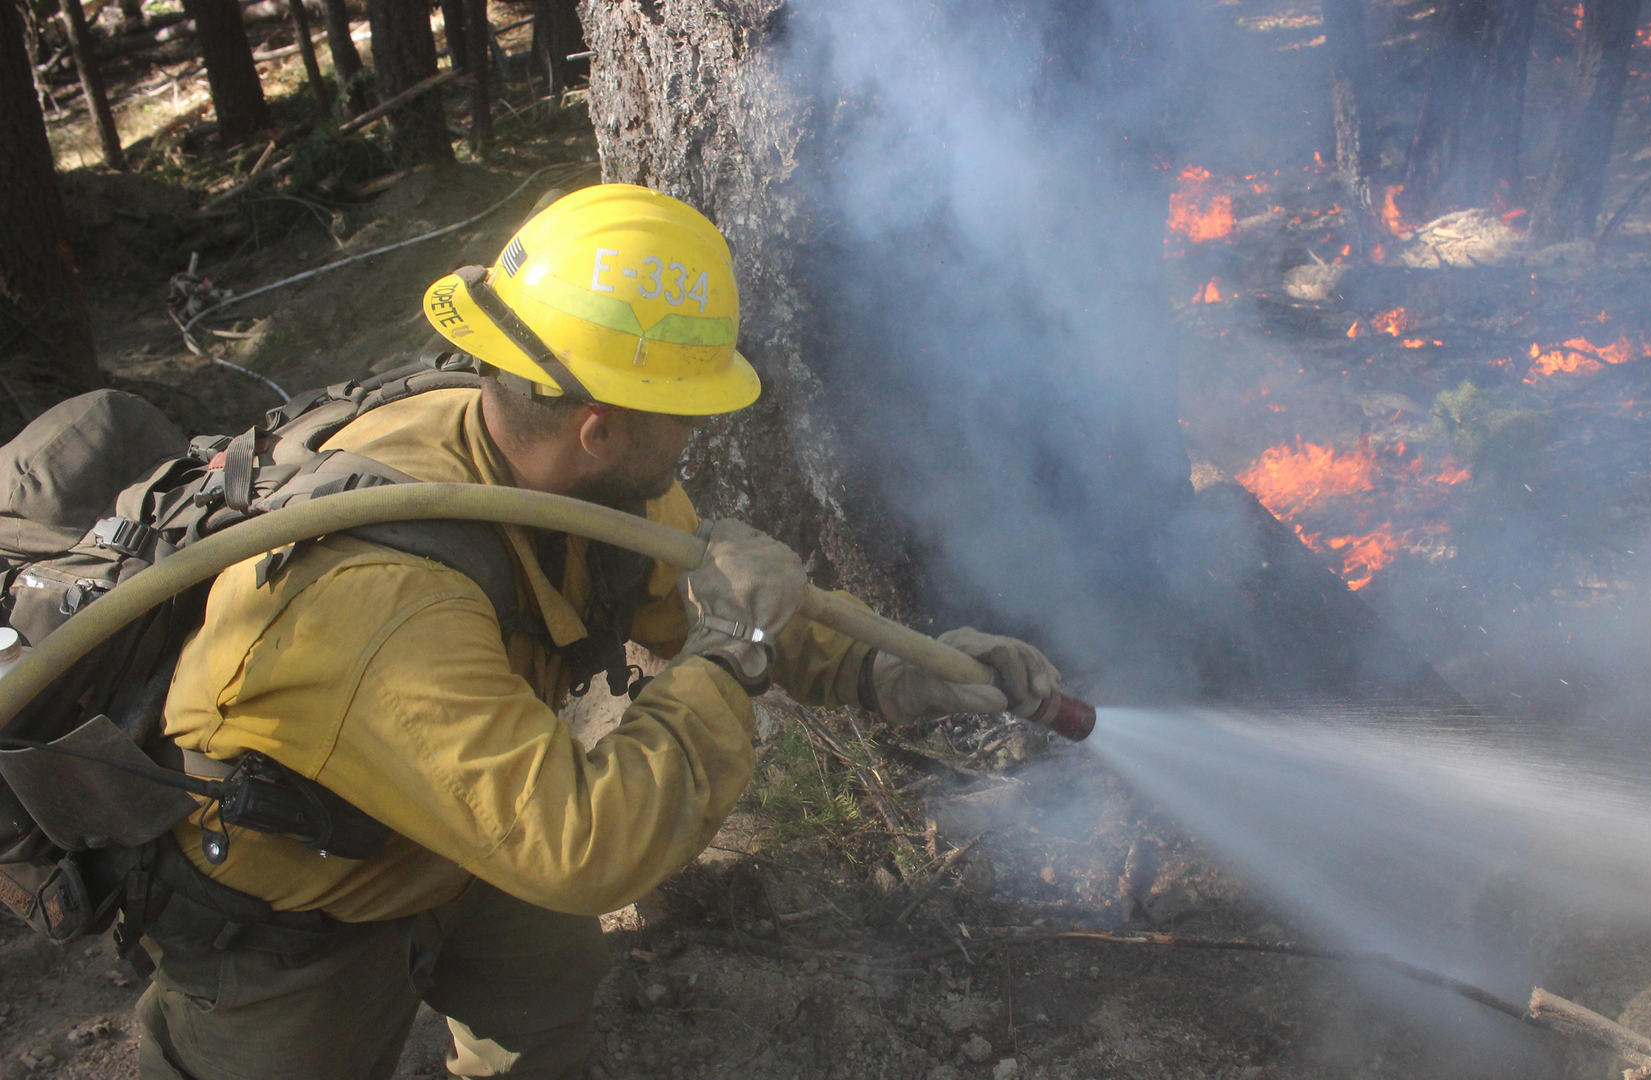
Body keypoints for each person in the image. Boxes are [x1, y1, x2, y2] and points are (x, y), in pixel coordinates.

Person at [139, 184, 1061, 1080]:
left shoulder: (570, 475)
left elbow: (712, 592)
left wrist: (895, 671)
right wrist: (732, 658)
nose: (697, 436)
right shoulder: (386, 599)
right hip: (298, 911)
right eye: (686, 414)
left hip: (465, 830)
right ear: (598, 427)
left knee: (546, 992)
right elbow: (585, 849)